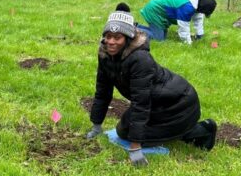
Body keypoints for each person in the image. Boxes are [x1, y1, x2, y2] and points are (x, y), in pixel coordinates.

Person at [86, 11, 217, 166]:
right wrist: (96, 126)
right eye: (108, 36)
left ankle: (203, 130)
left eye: (117, 37)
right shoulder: (105, 55)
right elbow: (102, 91)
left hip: (179, 103)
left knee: (127, 133)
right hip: (158, 101)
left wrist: (135, 148)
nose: (111, 42)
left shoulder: (140, 59)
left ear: (127, 39)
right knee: (124, 129)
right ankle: (176, 129)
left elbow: (141, 103)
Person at [137, 0, 217, 44]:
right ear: (202, 9)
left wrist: (200, 35)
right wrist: (187, 43)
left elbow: (198, 19)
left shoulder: (199, 3)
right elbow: (183, 27)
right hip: (154, 11)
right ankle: (132, 29)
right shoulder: (187, 7)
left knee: (162, 35)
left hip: (161, 13)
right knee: (159, 39)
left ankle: (137, 26)